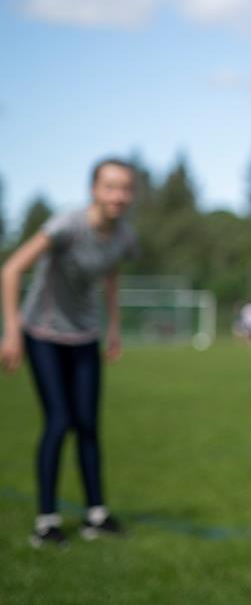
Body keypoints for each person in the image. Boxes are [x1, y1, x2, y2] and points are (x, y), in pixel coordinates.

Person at [0, 158, 138, 547]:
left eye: (126, 188)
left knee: (89, 424)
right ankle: (46, 521)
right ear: (94, 189)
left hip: (85, 335)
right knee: (59, 421)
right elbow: (10, 271)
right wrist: (11, 332)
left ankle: (97, 515)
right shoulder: (66, 226)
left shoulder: (125, 237)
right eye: (110, 186)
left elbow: (112, 275)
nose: (119, 195)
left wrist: (113, 326)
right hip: (42, 333)